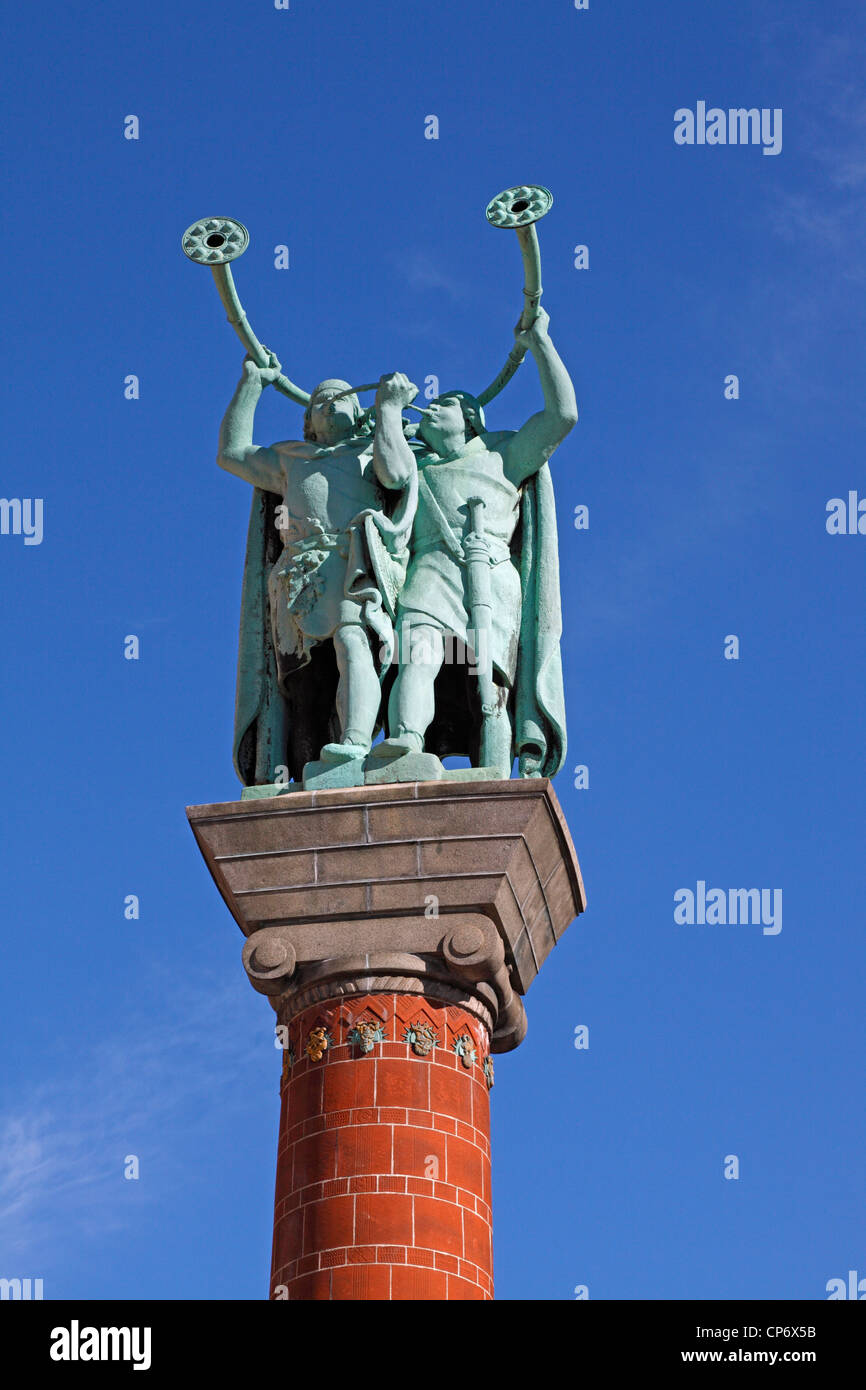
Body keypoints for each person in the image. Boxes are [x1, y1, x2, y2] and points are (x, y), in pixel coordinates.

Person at [369, 308, 576, 778]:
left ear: (467, 419)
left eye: (440, 404)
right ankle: (405, 743)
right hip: (430, 571)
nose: (430, 408)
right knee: (417, 654)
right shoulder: (417, 465)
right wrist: (388, 409)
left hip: (491, 577)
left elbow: (562, 416)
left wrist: (539, 341)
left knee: (491, 686)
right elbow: (390, 472)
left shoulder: (503, 454)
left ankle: (494, 768)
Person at [217, 353, 416, 785]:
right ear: (308, 420)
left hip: (354, 565)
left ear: (359, 411)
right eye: (320, 402)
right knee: (304, 685)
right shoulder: (291, 458)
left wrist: (389, 410)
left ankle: (357, 740)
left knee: (352, 641)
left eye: (339, 398)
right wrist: (251, 384)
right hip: (299, 578)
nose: (328, 405)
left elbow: (398, 476)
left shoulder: (371, 449)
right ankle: (306, 777)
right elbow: (232, 454)